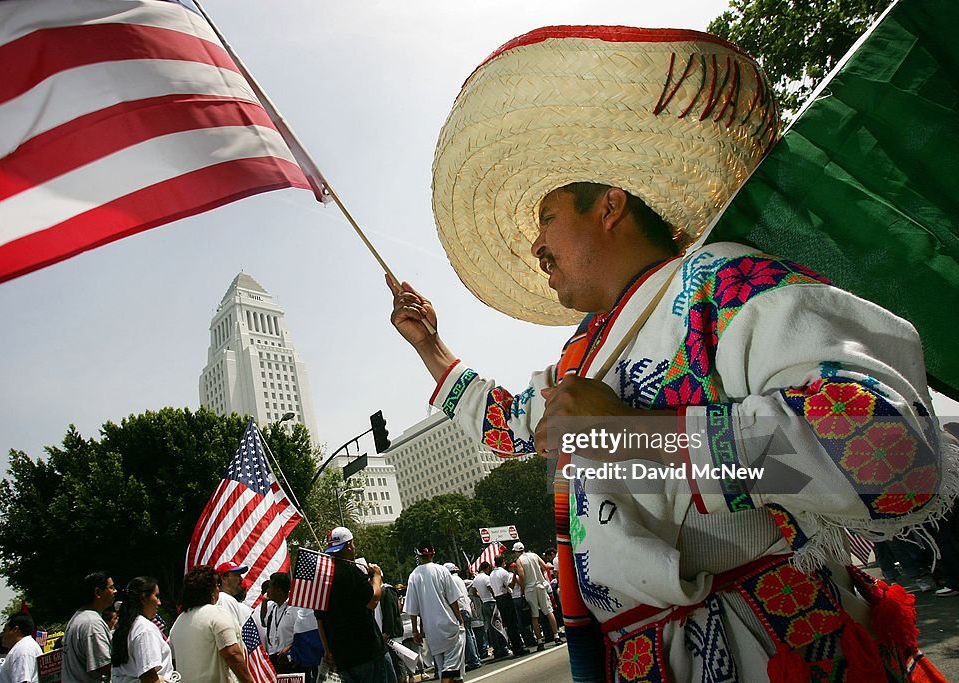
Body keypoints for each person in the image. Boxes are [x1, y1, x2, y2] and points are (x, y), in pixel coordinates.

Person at [388, 24, 956, 682]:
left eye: (546, 216)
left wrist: (631, 435)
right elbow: (514, 422)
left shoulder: (724, 283)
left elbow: (891, 447)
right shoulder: (580, 356)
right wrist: (431, 346)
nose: (534, 247)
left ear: (609, 204)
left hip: (777, 648)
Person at [313, 527, 394, 683]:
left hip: (342, 658)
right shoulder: (352, 572)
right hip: (368, 653)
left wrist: (328, 650)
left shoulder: (322, 580)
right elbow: (372, 600)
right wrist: (376, 577)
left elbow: (320, 620)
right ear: (349, 545)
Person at [170, 565, 255, 683]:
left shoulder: (178, 624)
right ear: (210, 590)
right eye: (216, 586)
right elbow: (232, 654)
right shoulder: (217, 613)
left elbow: (174, 661)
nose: (218, 590)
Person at [403, 543, 465, 683]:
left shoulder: (414, 576)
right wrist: (459, 618)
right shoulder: (441, 570)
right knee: (451, 669)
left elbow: (412, 608)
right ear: (433, 553)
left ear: (418, 555)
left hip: (432, 631)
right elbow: (452, 599)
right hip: (449, 625)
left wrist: (415, 631)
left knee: (450, 671)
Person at [110, 576, 174, 683]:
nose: (159, 603)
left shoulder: (126, 627)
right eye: (156, 596)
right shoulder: (145, 629)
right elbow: (149, 678)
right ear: (143, 598)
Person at [62, 571, 115, 683]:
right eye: (111, 587)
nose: (115, 591)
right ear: (97, 592)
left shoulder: (79, 617)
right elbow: (106, 667)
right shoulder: (92, 623)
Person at [512, 543, 562, 650]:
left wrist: (522, 588)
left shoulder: (519, 561)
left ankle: (539, 641)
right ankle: (556, 635)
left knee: (534, 616)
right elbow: (545, 566)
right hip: (540, 585)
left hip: (529, 588)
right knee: (549, 611)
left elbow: (521, 575)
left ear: (516, 551)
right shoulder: (534, 555)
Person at [442, 563, 480, 671]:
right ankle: (476, 657)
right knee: (470, 634)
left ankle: (473, 660)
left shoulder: (452, 581)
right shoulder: (459, 579)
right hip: (466, 608)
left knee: (466, 636)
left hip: (460, 610)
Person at [487, 557, 526, 657]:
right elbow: (511, 586)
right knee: (513, 623)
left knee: (507, 624)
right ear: (503, 562)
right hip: (506, 598)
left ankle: (514, 644)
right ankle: (518, 647)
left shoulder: (491, 574)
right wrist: (514, 575)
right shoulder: (503, 572)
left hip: (498, 598)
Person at [470, 563, 506, 660]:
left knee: (490, 627)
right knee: (497, 625)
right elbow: (491, 589)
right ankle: (502, 648)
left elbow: (473, 591)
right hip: (491, 602)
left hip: (484, 603)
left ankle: (496, 648)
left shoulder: (476, 579)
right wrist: (495, 596)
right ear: (487, 568)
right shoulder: (486, 578)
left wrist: (481, 596)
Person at [0, 614, 41, 683]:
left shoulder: (23, 650)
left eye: (5, 630)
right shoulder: (23, 647)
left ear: (15, 629)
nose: (3, 635)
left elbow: (23, 681)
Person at [214, 560, 251, 632]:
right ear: (224, 578)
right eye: (237, 575)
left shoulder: (221, 598)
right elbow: (231, 633)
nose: (241, 579)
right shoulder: (225, 599)